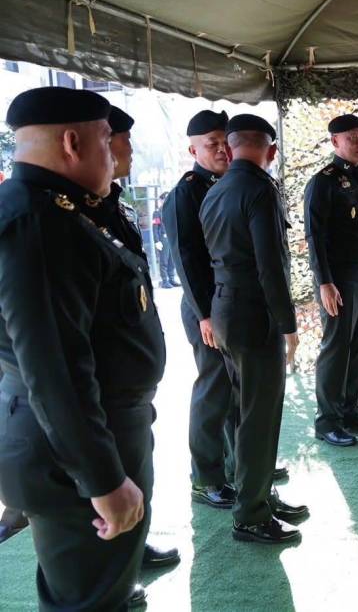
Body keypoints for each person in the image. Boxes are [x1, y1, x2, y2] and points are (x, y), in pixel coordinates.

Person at [0, 87, 165, 609]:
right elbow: (57, 372)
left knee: (99, 587)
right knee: (88, 598)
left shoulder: (64, 209)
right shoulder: (39, 223)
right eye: (105, 138)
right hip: (75, 447)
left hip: (96, 429)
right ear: (73, 142)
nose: (113, 152)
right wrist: (103, 480)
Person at [200, 114, 307, 544]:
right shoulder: (260, 189)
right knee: (260, 417)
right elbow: (271, 265)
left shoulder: (216, 189)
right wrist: (288, 325)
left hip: (225, 309)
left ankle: (257, 494)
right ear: (271, 150)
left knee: (245, 413)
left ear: (229, 148)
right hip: (254, 314)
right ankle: (251, 514)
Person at [105, 106, 181, 573]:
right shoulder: (66, 215)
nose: (131, 150)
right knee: (107, 476)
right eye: (123, 140)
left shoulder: (114, 205)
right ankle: (114, 564)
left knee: (137, 467)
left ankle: (132, 546)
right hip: (101, 382)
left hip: (130, 382)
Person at [304, 111, 358, 448]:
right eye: (352, 138)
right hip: (338, 279)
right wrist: (324, 282)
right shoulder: (323, 181)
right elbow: (314, 236)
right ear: (335, 141)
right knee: (336, 349)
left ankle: (350, 412)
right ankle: (327, 421)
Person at [153, 193, 180, 288]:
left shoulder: (171, 211)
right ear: (161, 200)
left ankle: (171, 279)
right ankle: (164, 281)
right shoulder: (157, 213)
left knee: (172, 261)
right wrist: (157, 241)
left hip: (171, 238)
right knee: (164, 261)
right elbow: (155, 228)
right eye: (165, 199)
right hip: (163, 238)